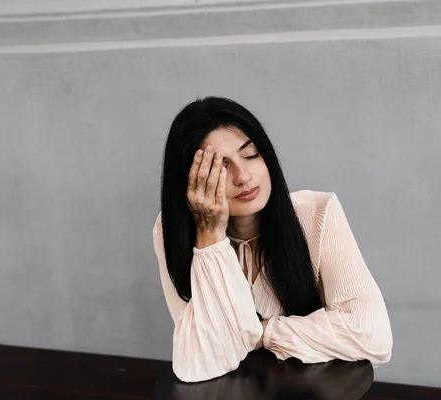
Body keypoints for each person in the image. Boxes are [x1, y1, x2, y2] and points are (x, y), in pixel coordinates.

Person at [152, 96, 393, 383]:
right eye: (221, 167)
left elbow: (371, 334)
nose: (243, 177)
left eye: (251, 154)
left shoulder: (318, 214)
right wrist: (211, 234)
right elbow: (200, 362)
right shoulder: (171, 231)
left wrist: (262, 331)